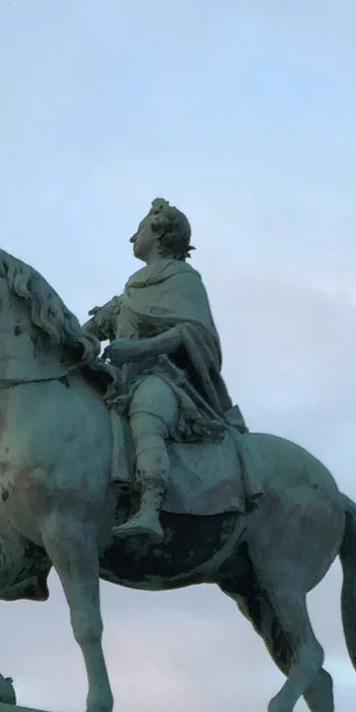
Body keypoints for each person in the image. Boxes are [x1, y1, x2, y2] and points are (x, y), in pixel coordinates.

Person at [84, 199, 246, 542]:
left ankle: (150, 510)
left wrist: (138, 349)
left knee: (147, 409)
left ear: (158, 234)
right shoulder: (132, 289)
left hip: (168, 380)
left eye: (139, 229)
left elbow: (193, 332)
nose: (132, 237)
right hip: (122, 382)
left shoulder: (183, 279)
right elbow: (94, 327)